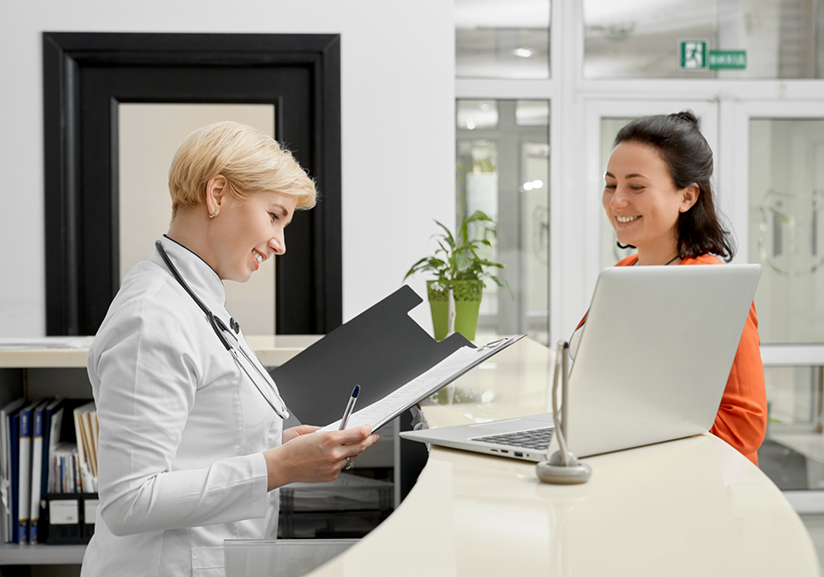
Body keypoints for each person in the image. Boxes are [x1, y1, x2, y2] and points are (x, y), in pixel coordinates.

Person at [81, 121, 379, 576]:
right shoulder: (152, 317)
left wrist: (278, 446)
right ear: (217, 194)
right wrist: (278, 466)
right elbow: (129, 501)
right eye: (275, 216)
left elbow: (198, 441)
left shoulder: (196, 300)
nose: (280, 244)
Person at [572, 111, 767, 466]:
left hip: (696, 487)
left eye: (636, 186)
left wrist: (627, 426)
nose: (616, 201)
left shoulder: (713, 286)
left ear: (687, 197)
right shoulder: (623, 272)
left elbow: (744, 426)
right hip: (621, 465)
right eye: (610, 183)